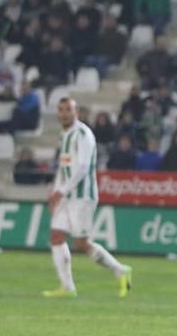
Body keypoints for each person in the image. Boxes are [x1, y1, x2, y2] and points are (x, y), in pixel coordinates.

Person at [44, 98, 133, 299]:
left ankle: (120, 270)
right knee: (56, 237)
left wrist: (62, 191)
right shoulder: (64, 134)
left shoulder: (82, 134)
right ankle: (67, 287)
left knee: (81, 243)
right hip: (66, 196)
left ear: (76, 112)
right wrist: (55, 192)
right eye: (61, 110)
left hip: (82, 197)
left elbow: (83, 167)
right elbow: (64, 167)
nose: (64, 113)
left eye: (68, 110)